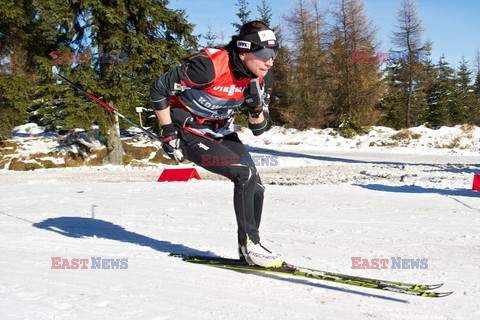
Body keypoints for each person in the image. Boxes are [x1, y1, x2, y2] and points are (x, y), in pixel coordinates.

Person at [150, 21, 285, 268]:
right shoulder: (209, 66)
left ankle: (248, 250)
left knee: (255, 183)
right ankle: (251, 246)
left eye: (274, 54)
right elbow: (159, 88)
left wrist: (256, 108)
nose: (270, 62)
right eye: (264, 54)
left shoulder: (261, 76)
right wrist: (168, 133)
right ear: (243, 51)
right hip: (188, 129)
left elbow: (258, 129)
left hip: (221, 129)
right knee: (243, 174)